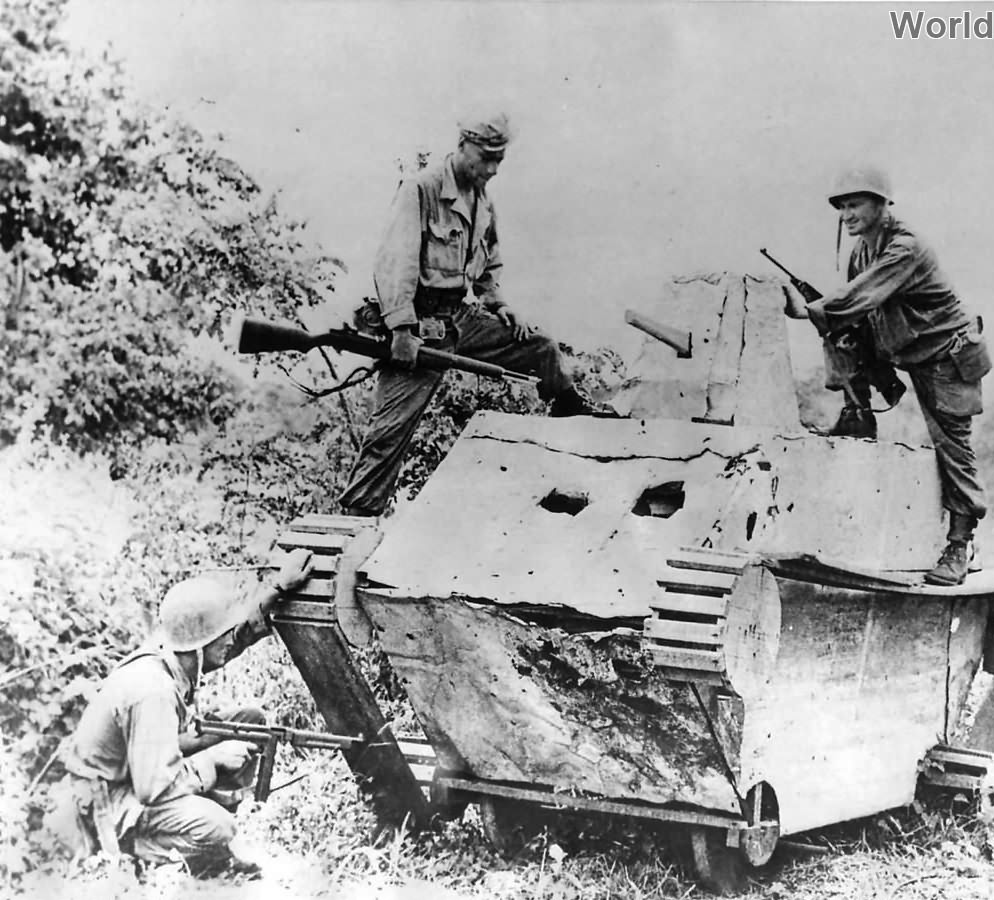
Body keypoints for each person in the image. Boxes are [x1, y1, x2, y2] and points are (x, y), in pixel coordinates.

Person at [338, 111, 599, 518]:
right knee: (388, 433)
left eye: (500, 160)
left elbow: (489, 265)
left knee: (540, 347)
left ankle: (568, 406)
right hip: (421, 328)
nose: (492, 169)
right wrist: (402, 330)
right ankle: (357, 518)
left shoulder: (483, 201)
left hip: (462, 319)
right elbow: (395, 262)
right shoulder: (421, 190)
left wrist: (501, 304)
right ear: (463, 145)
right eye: (486, 157)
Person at [48, 549, 315, 875]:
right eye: (222, 637)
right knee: (217, 826)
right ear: (200, 645)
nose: (229, 642)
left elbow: (234, 638)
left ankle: (213, 835)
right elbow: (154, 787)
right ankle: (135, 852)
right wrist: (212, 761)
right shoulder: (152, 690)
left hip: (138, 767)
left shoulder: (177, 651)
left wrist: (279, 589)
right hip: (107, 802)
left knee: (246, 723)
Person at [785, 165, 992, 585]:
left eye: (855, 204)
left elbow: (856, 296)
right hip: (899, 343)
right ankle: (857, 412)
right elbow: (853, 311)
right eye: (841, 207)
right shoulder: (861, 250)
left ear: (881, 204)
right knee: (839, 329)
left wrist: (806, 309)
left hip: (943, 355)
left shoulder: (905, 248)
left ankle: (959, 544)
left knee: (952, 446)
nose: (847, 214)